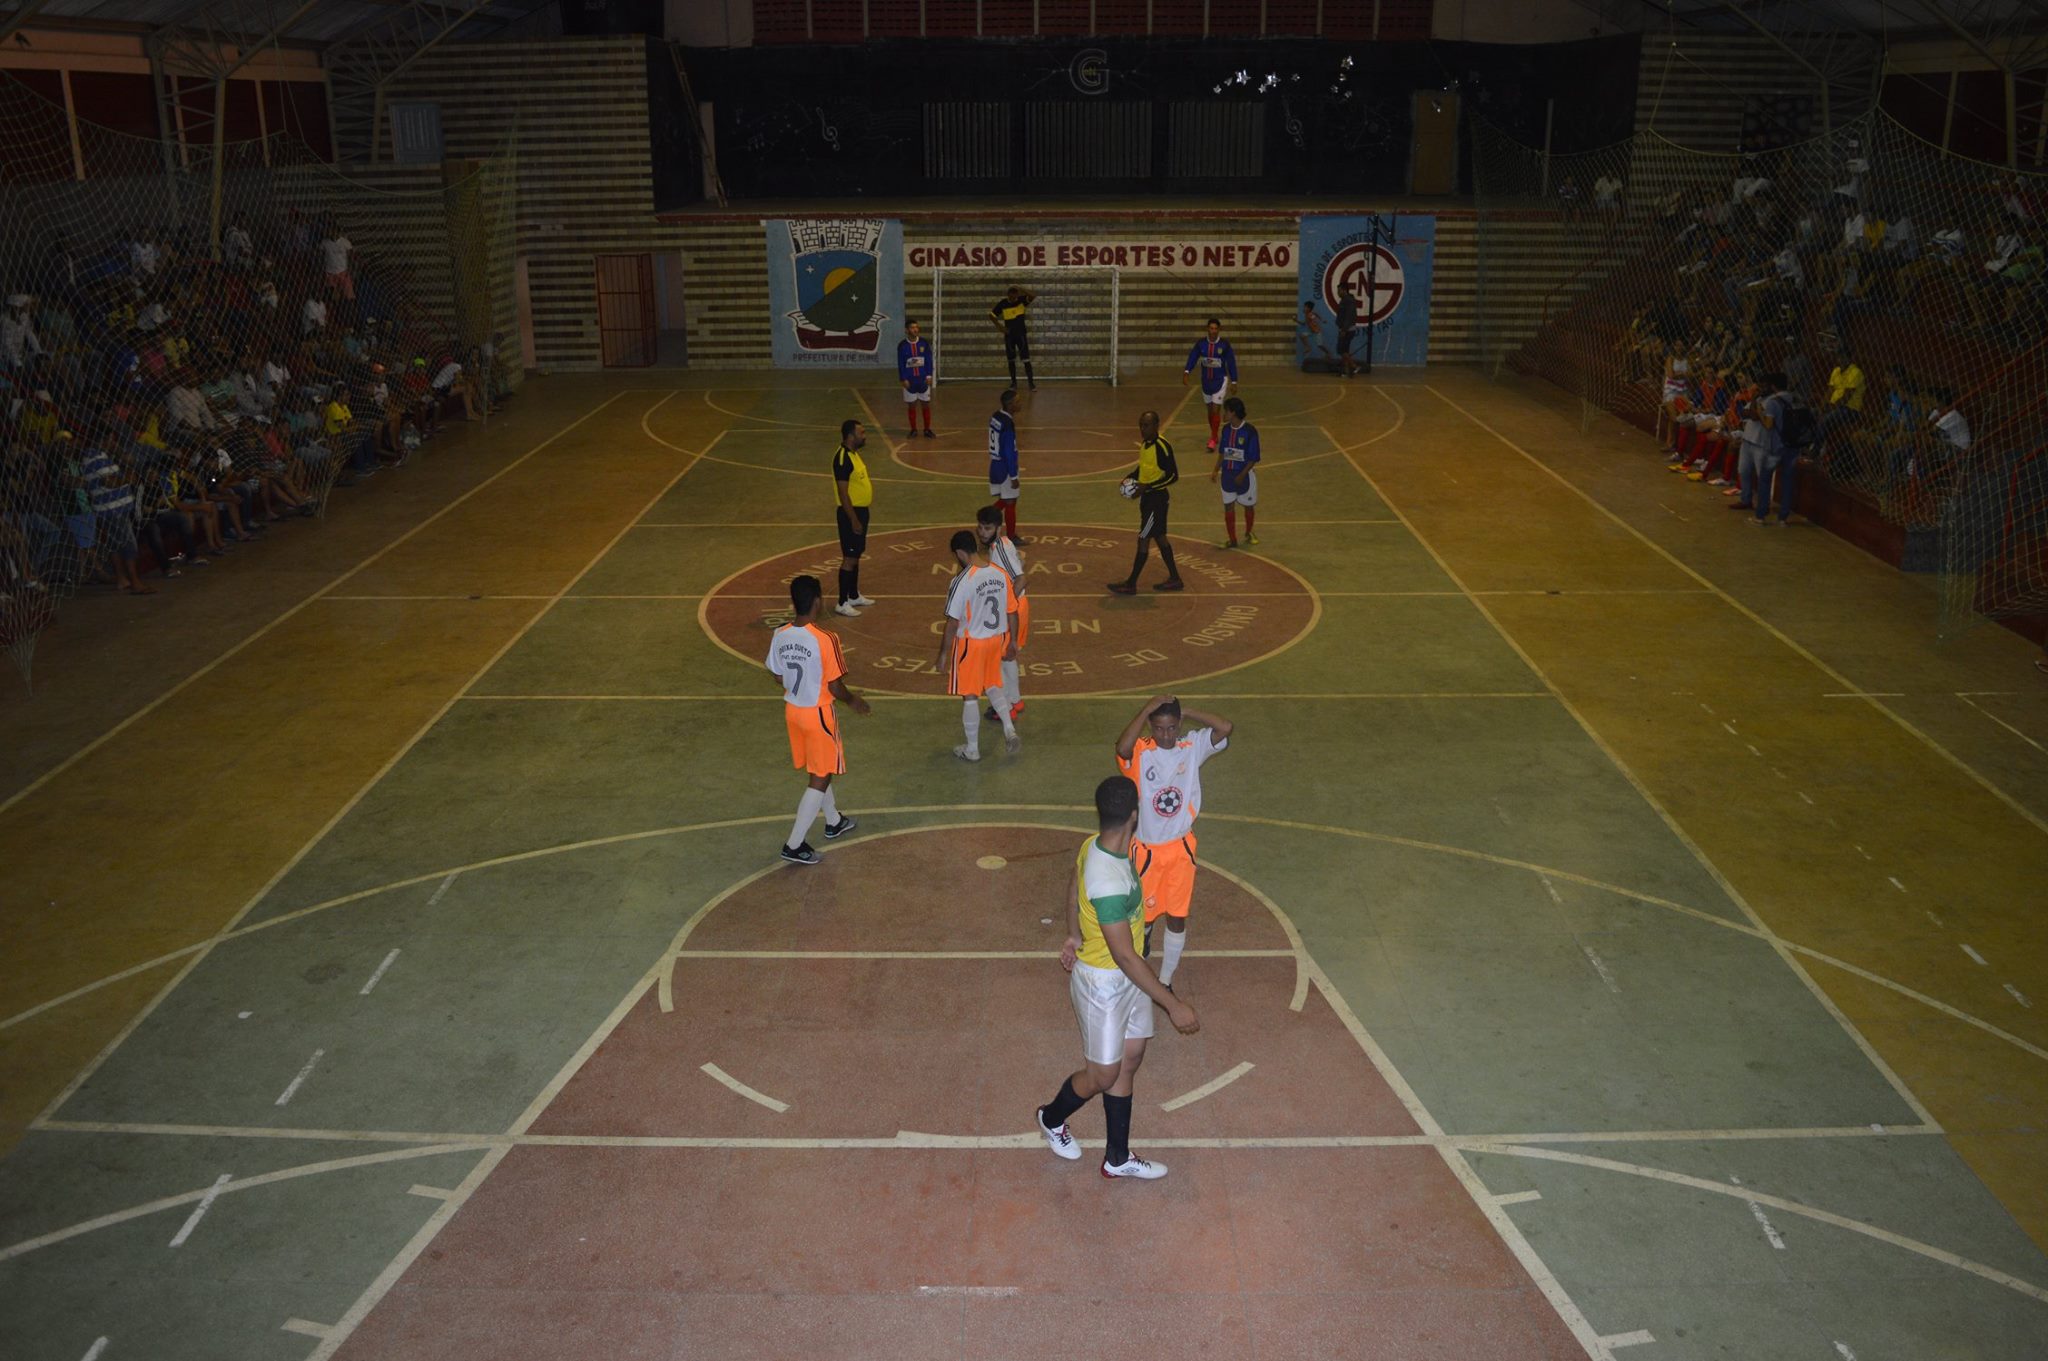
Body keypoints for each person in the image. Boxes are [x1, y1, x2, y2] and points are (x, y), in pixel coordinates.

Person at [1039, 774, 1199, 1180]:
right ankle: (1051, 1117)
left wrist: (1073, 931)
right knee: (1103, 1074)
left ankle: (1117, 1156)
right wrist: (1172, 1003)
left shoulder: (1098, 845)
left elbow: (1074, 884)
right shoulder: (1108, 881)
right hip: (1104, 984)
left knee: (1131, 1057)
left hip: (1129, 977)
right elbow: (1125, 957)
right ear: (1134, 815)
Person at [1114, 694, 1232, 991]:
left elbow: (1225, 727)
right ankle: (1143, 945)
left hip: (1180, 848)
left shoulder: (1191, 746)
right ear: (1150, 727)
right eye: (1158, 728)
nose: (1165, 735)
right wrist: (1145, 710)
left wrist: (1187, 711)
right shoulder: (1142, 751)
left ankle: (1165, 981)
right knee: (1143, 916)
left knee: (1178, 916)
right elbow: (1121, 748)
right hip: (1146, 851)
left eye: (1171, 728)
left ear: (1179, 725)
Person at [768, 573, 869, 865]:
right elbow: (836, 687)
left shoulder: (780, 633)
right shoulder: (826, 639)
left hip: (793, 712)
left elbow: (777, 675)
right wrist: (854, 701)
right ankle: (794, 843)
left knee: (818, 767)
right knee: (821, 776)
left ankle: (834, 820)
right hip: (818, 715)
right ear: (817, 601)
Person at [938, 528, 1020, 760]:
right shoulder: (1000, 573)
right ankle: (1009, 728)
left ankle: (972, 748)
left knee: (970, 694)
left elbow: (953, 622)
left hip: (970, 644)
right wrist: (1013, 641)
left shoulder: (961, 580)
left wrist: (943, 653)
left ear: (960, 553)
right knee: (993, 684)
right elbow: (1012, 611)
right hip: (996, 640)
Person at [1106, 409, 1182, 595]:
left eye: (1146, 425)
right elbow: (1144, 467)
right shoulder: (1146, 444)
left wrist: (1146, 487)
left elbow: (1173, 476)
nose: (1142, 429)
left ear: (1156, 425)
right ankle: (1175, 578)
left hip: (1156, 500)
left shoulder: (1162, 446)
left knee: (1143, 539)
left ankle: (1131, 583)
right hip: (1149, 499)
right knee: (1160, 537)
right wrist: (1130, 477)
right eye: (1140, 425)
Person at [976, 503, 1027, 725]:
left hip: (1012, 610)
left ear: (998, 528)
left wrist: (1008, 606)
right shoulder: (1001, 545)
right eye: (980, 527)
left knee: (997, 660)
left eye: (987, 528)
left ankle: (1005, 708)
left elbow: (1022, 578)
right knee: (1009, 657)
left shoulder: (1001, 549)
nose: (982, 532)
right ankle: (1015, 700)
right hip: (1015, 607)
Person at [831, 417, 875, 618]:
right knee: (849, 558)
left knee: (856, 555)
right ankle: (842, 602)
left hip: (860, 512)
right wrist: (853, 519)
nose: (864, 436)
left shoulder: (854, 454)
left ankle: (853, 594)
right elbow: (843, 493)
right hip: (851, 513)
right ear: (850, 436)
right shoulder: (842, 458)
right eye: (861, 433)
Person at [1182, 316, 1238, 451]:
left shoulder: (1224, 345)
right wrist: (1186, 371)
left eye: (1215, 329)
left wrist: (1234, 380)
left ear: (1219, 330)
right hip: (1206, 382)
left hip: (1220, 381)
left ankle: (1213, 438)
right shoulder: (1201, 344)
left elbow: (1231, 362)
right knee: (1209, 412)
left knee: (1215, 409)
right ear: (1207, 329)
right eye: (1211, 328)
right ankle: (1214, 434)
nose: (1213, 331)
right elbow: (1193, 357)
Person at [1211, 395, 1260, 547]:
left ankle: (1249, 531)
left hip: (1244, 475)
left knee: (1248, 505)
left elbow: (1253, 457)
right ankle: (1232, 540)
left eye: (1225, 411)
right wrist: (1216, 470)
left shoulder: (1250, 431)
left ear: (1233, 413)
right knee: (1228, 506)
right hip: (1228, 475)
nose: (1223, 414)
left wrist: (1242, 474)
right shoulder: (1226, 430)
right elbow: (1223, 452)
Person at [987, 387, 1021, 541]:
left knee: (1005, 497)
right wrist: (1013, 475)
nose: (1020, 405)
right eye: (1017, 402)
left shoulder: (996, 416)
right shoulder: (1008, 424)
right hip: (1005, 467)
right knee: (1010, 501)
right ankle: (1011, 536)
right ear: (1009, 405)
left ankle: (986, 516)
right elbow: (1008, 452)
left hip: (994, 464)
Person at [989, 284, 1036, 389]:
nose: (1014, 298)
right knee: (1011, 360)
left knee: (1026, 359)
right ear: (1008, 295)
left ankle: (1031, 383)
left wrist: (1021, 288)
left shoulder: (1021, 301)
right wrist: (1000, 327)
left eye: (1016, 296)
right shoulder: (1003, 303)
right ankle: (1014, 383)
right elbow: (991, 315)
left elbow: (1033, 296)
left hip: (1021, 335)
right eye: (1012, 296)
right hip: (1009, 336)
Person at [897, 319, 935, 438]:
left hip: (923, 380)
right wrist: (903, 379)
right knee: (912, 405)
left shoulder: (923, 343)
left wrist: (929, 375)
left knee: (926, 404)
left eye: (917, 327)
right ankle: (913, 430)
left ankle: (927, 430)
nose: (916, 329)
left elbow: (928, 360)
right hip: (910, 381)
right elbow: (901, 363)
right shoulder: (902, 346)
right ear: (907, 330)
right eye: (913, 328)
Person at [1334, 282, 1361, 378]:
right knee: (1345, 351)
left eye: (1339, 291)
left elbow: (1349, 316)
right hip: (1345, 329)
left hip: (1347, 330)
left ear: (1344, 290)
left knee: (1341, 350)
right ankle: (1346, 372)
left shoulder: (1348, 301)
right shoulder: (1345, 300)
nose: (1338, 293)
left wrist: (1344, 330)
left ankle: (1354, 366)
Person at [1294, 300, 1332, 366]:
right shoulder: (1307, 314)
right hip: (1311, 332)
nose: (1304, 308)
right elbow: (1304, 323)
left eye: (1305, 307)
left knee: (1319, 345)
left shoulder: (1310, 315)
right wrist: (1296, 320)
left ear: (1308, 309)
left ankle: (1328, 353)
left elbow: (1314, 317)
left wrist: (1320, 321)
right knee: (1302, 336)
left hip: (1317, 332)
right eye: (1304, 307)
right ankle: (1307, 347)